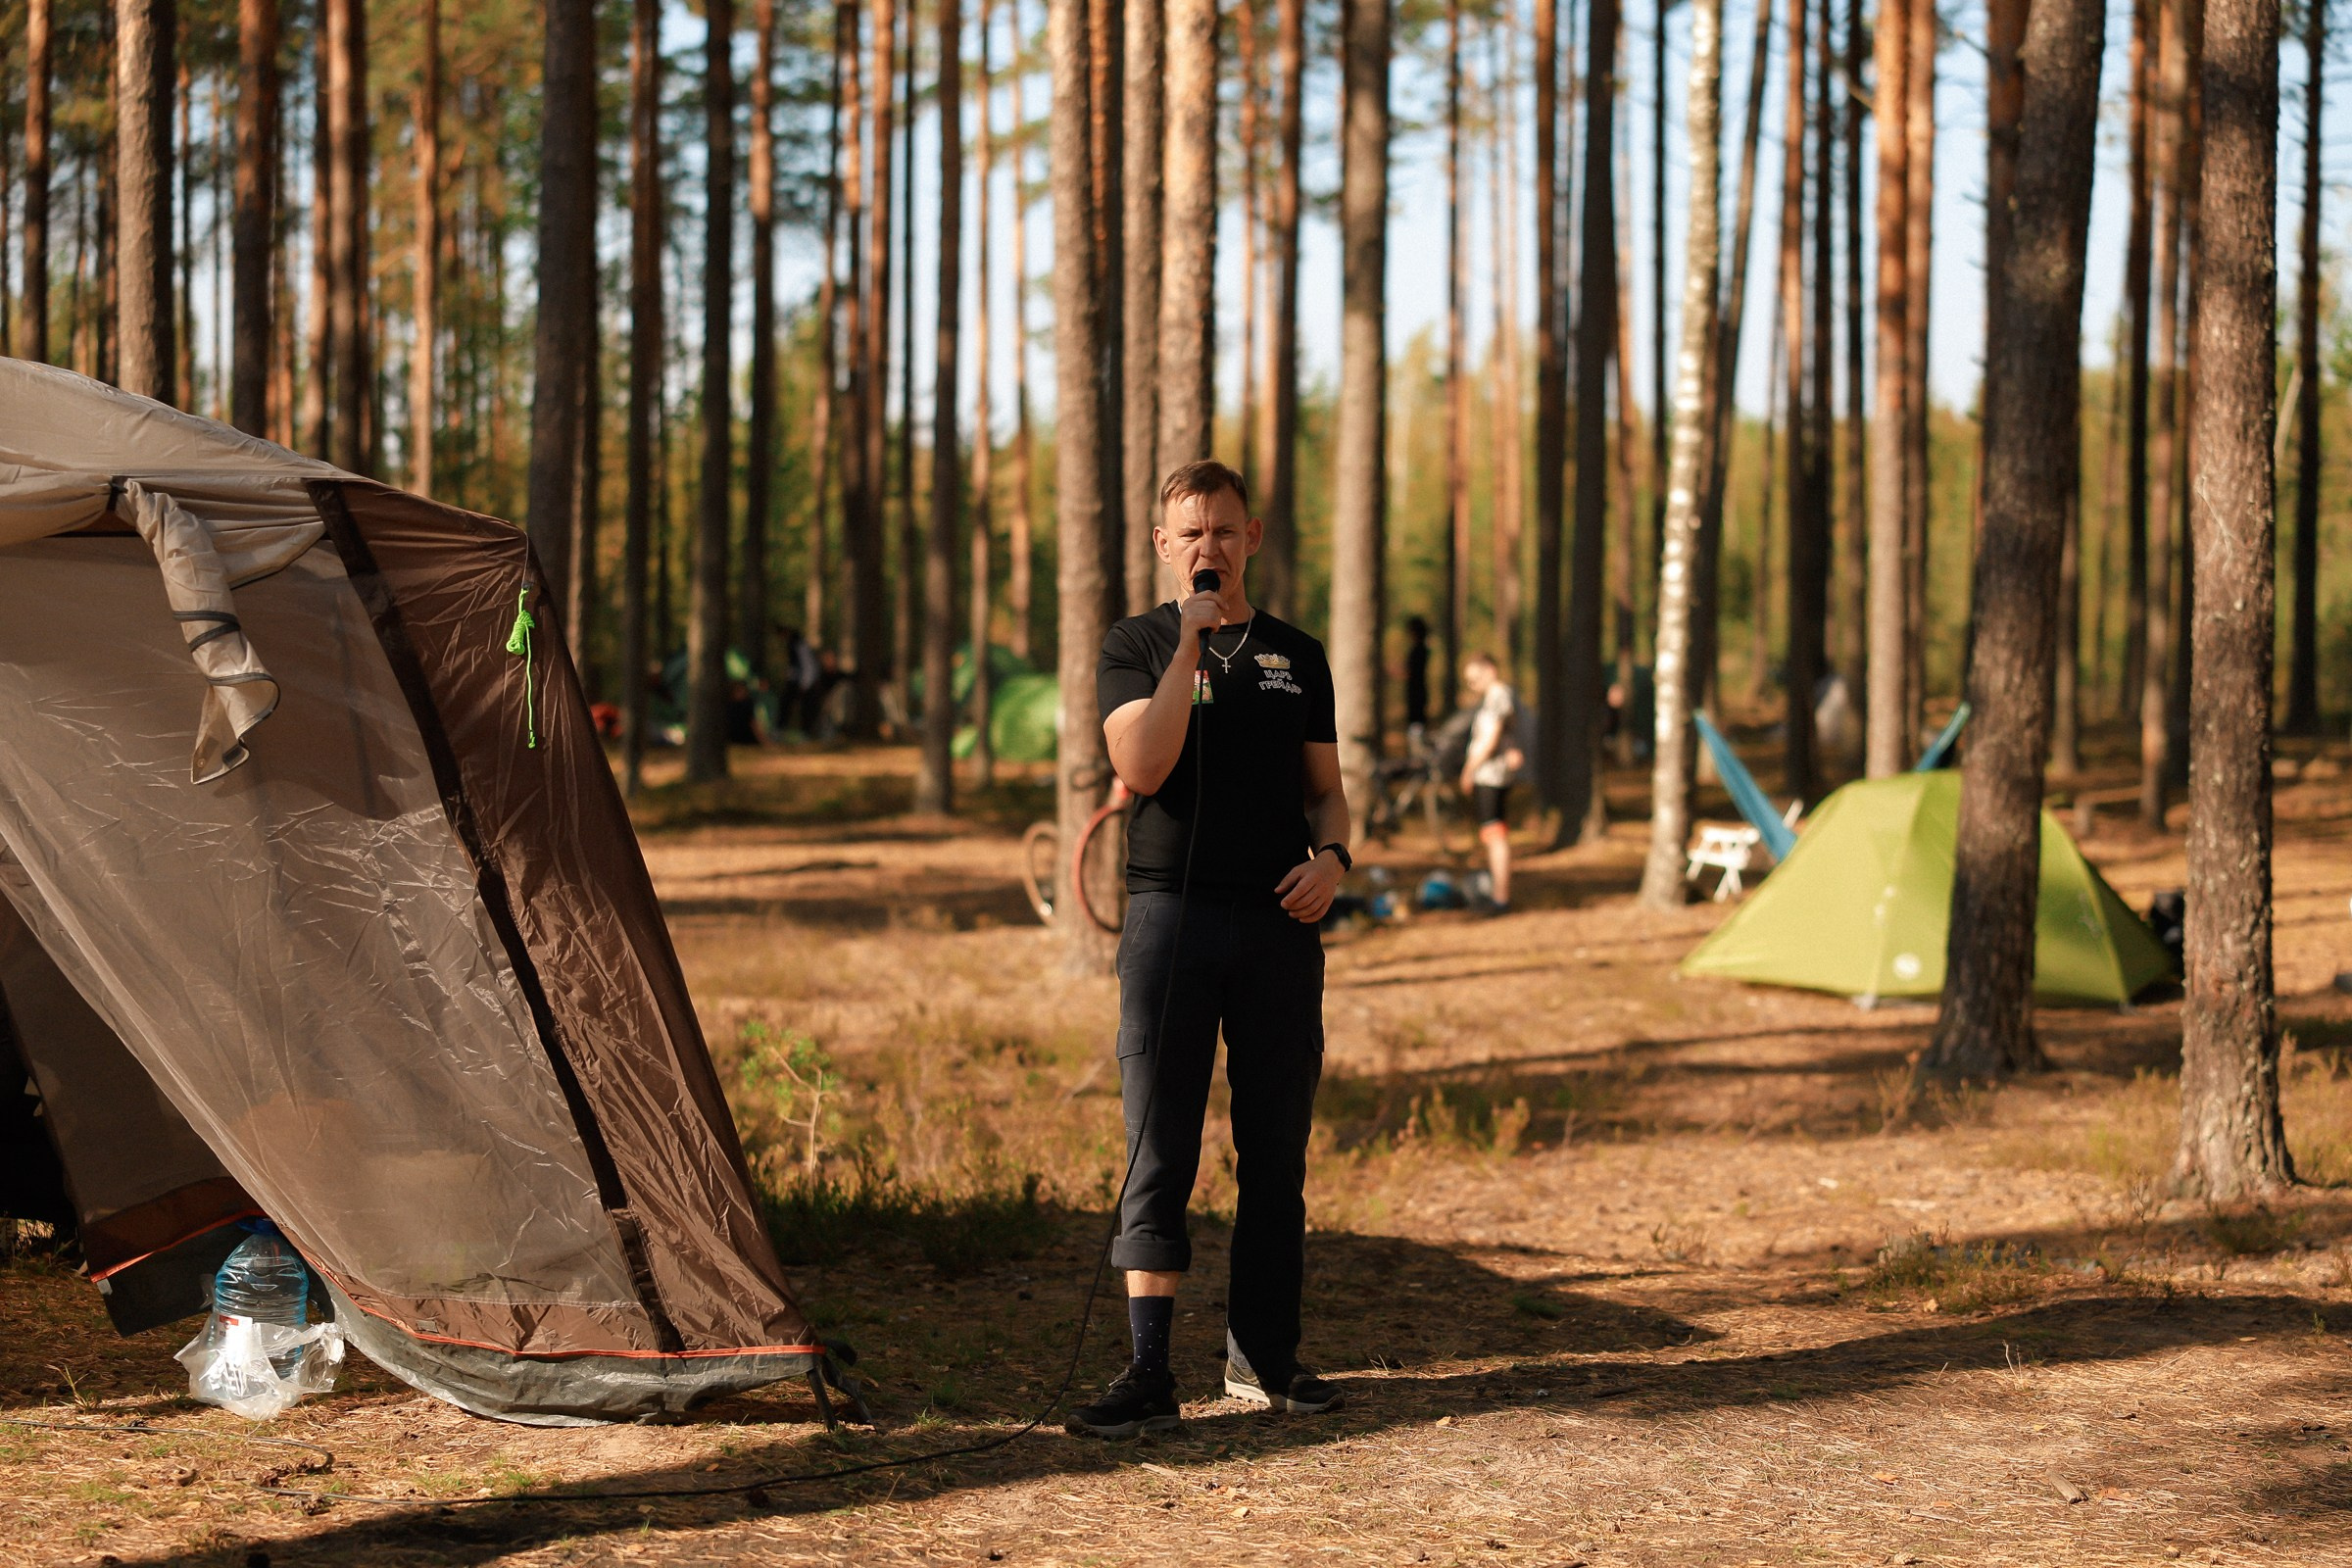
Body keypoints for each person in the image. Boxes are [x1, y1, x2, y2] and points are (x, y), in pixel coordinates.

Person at [1070, 459, 1350, 1440]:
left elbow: (1327, 788)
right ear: (1162, 544)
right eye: (1190, 533)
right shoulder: (1137, 642)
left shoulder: (1297, 654)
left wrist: (1335, 858)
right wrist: (1186, 651)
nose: (1208, 548)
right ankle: (1148, 1369)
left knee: (1275, 1147)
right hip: (1170, 924)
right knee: (1160, 1142)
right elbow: (1141, 764)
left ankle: (1264, 1358)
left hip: (1280, 925)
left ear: (1253, 536)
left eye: (1224, 531)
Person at [1457, 652, 1521, 915]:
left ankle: (1500, 898)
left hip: (1490, 776)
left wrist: (1469, 770)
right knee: (1493, 835)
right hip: (1491, 773)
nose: (1473, 686)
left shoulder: (1498, 696)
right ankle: (1498, 894)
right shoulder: (1496, 698)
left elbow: (1493, 736)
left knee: (1495, 836)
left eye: (1475, 679)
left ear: (1490, 671)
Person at [1401, 615, 1432, 735]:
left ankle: (1418, 749)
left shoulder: (1418, 650)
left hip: (1416, 693)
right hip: (1418, 692)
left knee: (1416, 724)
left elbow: (1411, 672)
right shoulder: (1421, 648)